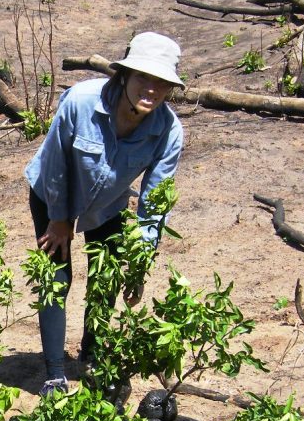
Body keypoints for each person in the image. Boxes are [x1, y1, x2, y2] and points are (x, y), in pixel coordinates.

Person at [26, 32, 185, 396]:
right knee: (56, 275)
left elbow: (154, 202)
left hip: (108, 203)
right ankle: (54, 373)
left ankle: (91, 354)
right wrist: (60, 219)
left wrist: (141, 260)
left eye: (162, 82)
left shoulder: (168, 131)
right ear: (124, 74)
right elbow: (55, 163)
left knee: (106, 275)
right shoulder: (81, 102)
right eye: (143, 76)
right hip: (53, 192)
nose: (152, 89)